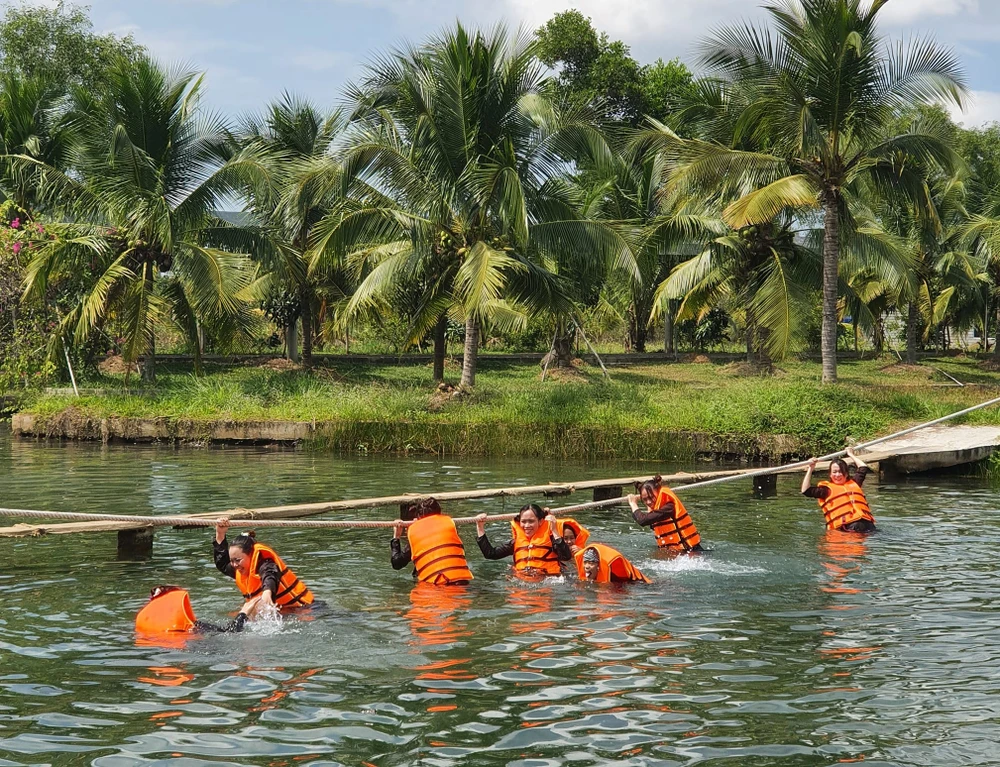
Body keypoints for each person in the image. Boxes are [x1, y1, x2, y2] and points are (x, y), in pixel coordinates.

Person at [214, 520, 314, 610]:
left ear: (251, 555)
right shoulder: (240, 568)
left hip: (306, 609)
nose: (234, 565)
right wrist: (220, 534)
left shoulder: (265, 564)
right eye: (232, 560)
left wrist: (267, 591)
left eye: (237, 560)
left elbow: (270, 574)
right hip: (285, 612)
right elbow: (222, 564)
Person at [391, 497, 474, 585]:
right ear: (439, 513)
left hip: (435, 587)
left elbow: (397, 563)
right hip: (462, 583)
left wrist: (396, 536)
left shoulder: (416, 532)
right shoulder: (449, 525)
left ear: (418, 517)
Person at [475, 504, 573, 577]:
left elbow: (566, 556)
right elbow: (490, 554)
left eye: (531, 521)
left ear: (540, 521)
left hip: (550, 582)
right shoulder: (516, 543)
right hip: (522, 584)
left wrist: (555, 530)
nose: (526, 526)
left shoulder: (551, 540)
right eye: (523, 522)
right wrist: (480, 527)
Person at [135, 585, 260, 636]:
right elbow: (232, 632)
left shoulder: (151, 626)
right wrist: (243, 613)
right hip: (205, 644)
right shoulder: (195, 627)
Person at [801, 448, 877, 533]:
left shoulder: (855, 483)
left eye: (841, 472)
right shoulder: (826, 490)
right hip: (848, 528)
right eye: (834, 472)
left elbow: (863, 467)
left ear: (847, 473)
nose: (837, 475)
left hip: (868, 525)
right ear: (830, 474)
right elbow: (805, 490)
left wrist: (850, 454)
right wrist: (811, 468)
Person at [627, 475, 703, 552]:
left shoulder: (669, 507)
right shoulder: (659, 509)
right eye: (645, 499)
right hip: (679, 554)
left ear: (659, 493)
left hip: (692, 552)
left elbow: (642, 520)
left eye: (651, 497)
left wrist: (633, 504)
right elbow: (652, 522)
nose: (648, 502)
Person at [578, 544, 650, 584]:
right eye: (585, 562)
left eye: (591, 563)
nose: (586, 566)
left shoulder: (614, 580)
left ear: (599, 565)